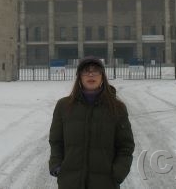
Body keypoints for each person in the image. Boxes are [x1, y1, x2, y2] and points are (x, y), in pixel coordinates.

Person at [49, 56, 135, 188]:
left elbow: (126, 146)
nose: (90, 74)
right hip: (70, 183)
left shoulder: (117, 108)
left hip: (105, 184)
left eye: (96, 70)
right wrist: (57, 166)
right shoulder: (63, 106)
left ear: (102, 77)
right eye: (86, 71)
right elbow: (56, 141)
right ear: (79, 77)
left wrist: (118, 173)